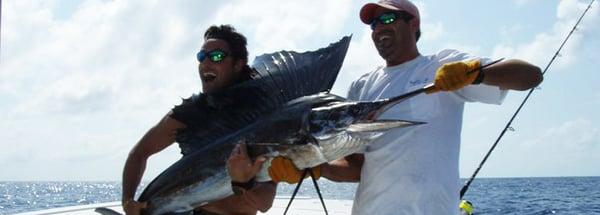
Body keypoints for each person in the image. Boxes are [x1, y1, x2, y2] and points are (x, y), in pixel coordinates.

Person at [317, 0, 543, 214]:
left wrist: (476, 74)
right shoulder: (361, 86)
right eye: (374, 24)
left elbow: (531, 76)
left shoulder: (441, 65)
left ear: (413, 23)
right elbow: (356, 165)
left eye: (387, 18)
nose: (378, 29)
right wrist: (321, 168)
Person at [121, 25, 276, 215]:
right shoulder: (191, 112)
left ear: (238, 64)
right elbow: (139, 153)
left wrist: (243, 182)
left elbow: (263, 203)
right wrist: (127, 200)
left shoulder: (262, 116)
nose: (206, 64)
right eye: (202, 57)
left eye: (217, 56)